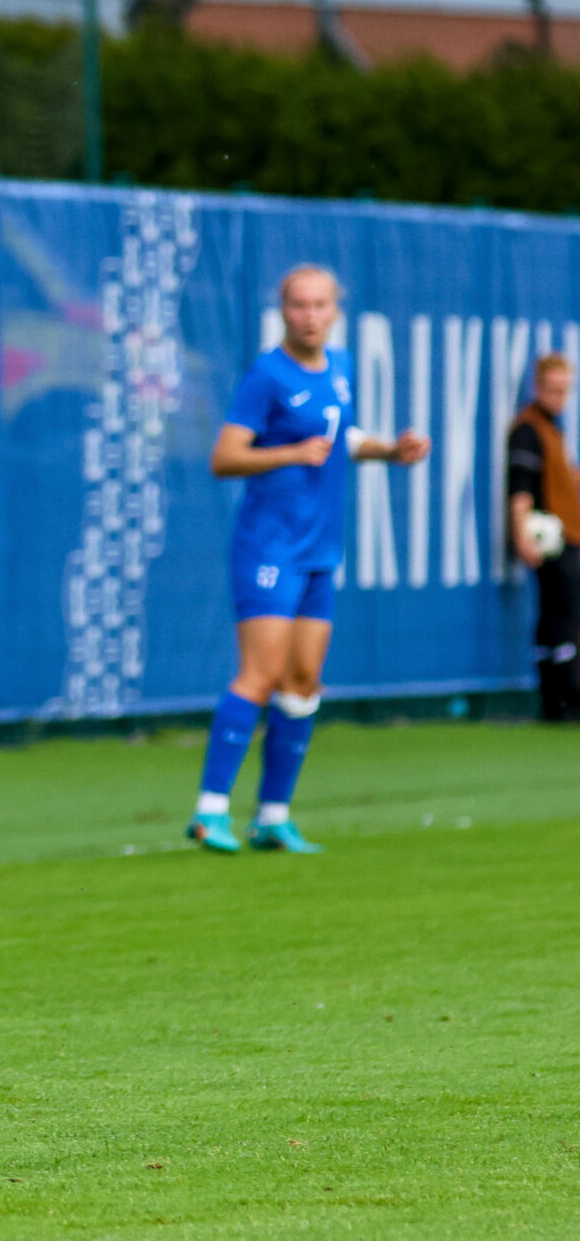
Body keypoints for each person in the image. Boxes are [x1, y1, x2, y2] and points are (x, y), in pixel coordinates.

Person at [185, 265, 430, 855]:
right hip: (270, 547)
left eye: (321, 305)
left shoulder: (339, 369)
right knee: (260, 675)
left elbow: (339, 437)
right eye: (299, 305)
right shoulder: (267, 376)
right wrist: (290, 452)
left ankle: (272, 815)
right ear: (283, 310)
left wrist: (390, 451)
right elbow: (225, 457)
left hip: (320, 549)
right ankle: (209, 810)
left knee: (302, 682)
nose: (311, 315)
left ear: (336, 311)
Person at [506, 354, 580, 721]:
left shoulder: (555, 428)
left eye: (564, 390)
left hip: (568, 535)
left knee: (557, 617)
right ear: (537, 387)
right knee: (564, 619)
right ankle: (564, 696)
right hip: (551, 540)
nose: (558, 397)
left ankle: (557, 697)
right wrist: (521, 534)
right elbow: (519, 488)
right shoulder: (528, 429)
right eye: (552, 389)